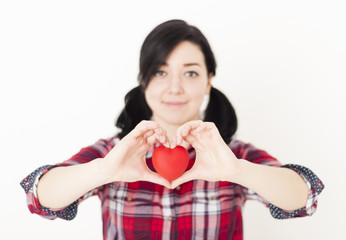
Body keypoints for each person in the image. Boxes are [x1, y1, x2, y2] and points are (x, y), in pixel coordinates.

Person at [20, 19, 324, 240]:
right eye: (160, 72)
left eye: (190, 73)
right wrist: (103, 171)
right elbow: (39, 197)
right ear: (144, 80)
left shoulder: (233, 155)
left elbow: (305, 197)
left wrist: (238, 171)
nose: (175, 87)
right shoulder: (114, 153)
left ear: (208, 81)